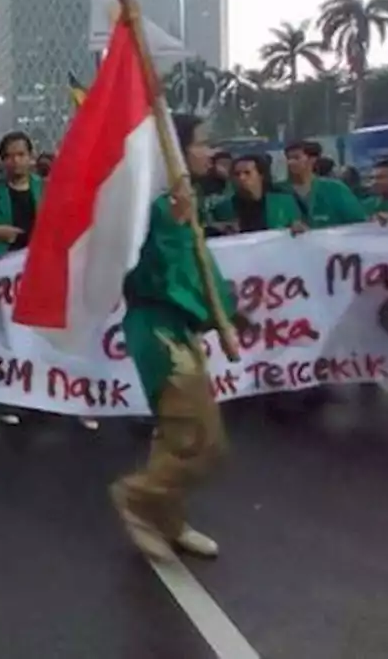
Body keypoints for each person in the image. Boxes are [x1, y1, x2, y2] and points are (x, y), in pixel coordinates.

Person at [110, 113, 234, 562]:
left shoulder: (183, 203)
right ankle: (136, 496)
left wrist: (228, 313)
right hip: (156, 330)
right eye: (202, 143)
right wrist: (170, 222)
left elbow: (202, 270)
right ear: (175, 152)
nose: (209, 151)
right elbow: (154, 270)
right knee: (192, 435)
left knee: (194, 437)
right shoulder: (151, 206)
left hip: (180, 329)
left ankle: (169, 519)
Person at [0, 131, 46, 426]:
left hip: (39, 270)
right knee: (4, 334)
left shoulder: (47, 189)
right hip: (3, 270)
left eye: (21, 154)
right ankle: (7, 399)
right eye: (9, 156)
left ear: (31, 157)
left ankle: (40, 393)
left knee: (38, 334)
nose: (15, 161)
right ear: (2, 161)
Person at [210, 155, 305, 234]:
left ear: (261, 176)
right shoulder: (224, 207)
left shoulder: (283, 201)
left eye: (247, 173)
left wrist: (298, 228)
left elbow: (302, 225)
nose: (241, 178)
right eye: (237, 174)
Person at [282, 140, 368, 227]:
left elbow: (358, 222)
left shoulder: (334, 189)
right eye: (288, 159)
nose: (291, 162)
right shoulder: (281, 192)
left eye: (296, 158)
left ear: (312, 159)